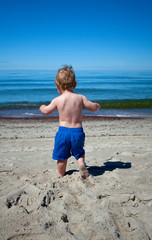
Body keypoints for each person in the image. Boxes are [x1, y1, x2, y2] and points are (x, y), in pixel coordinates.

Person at [39, 66, 100, 178]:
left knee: (61, 156)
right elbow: (92, 107)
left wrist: (42, 107)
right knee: (79, 152)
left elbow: (47, 111)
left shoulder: (57, 99)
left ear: (57, 85)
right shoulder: (80, 97)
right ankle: (81, 163)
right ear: (75, 85)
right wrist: (97, 106)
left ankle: (60, 174)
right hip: (77, 132)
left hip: (63, 133)